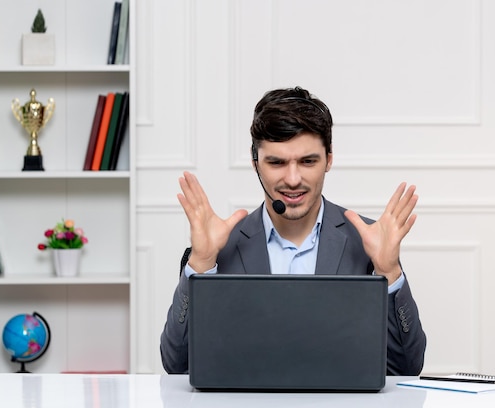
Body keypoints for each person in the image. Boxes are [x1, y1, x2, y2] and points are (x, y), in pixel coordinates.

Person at [159, 86, 427, 376]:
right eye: (276, 162)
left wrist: (389, 272)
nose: (293, 179)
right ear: (256, 165)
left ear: (329, 160)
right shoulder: (220, 247)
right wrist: (200, 265)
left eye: (308, 161)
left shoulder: (368, 241)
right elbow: (177, 366)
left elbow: (406, 368)